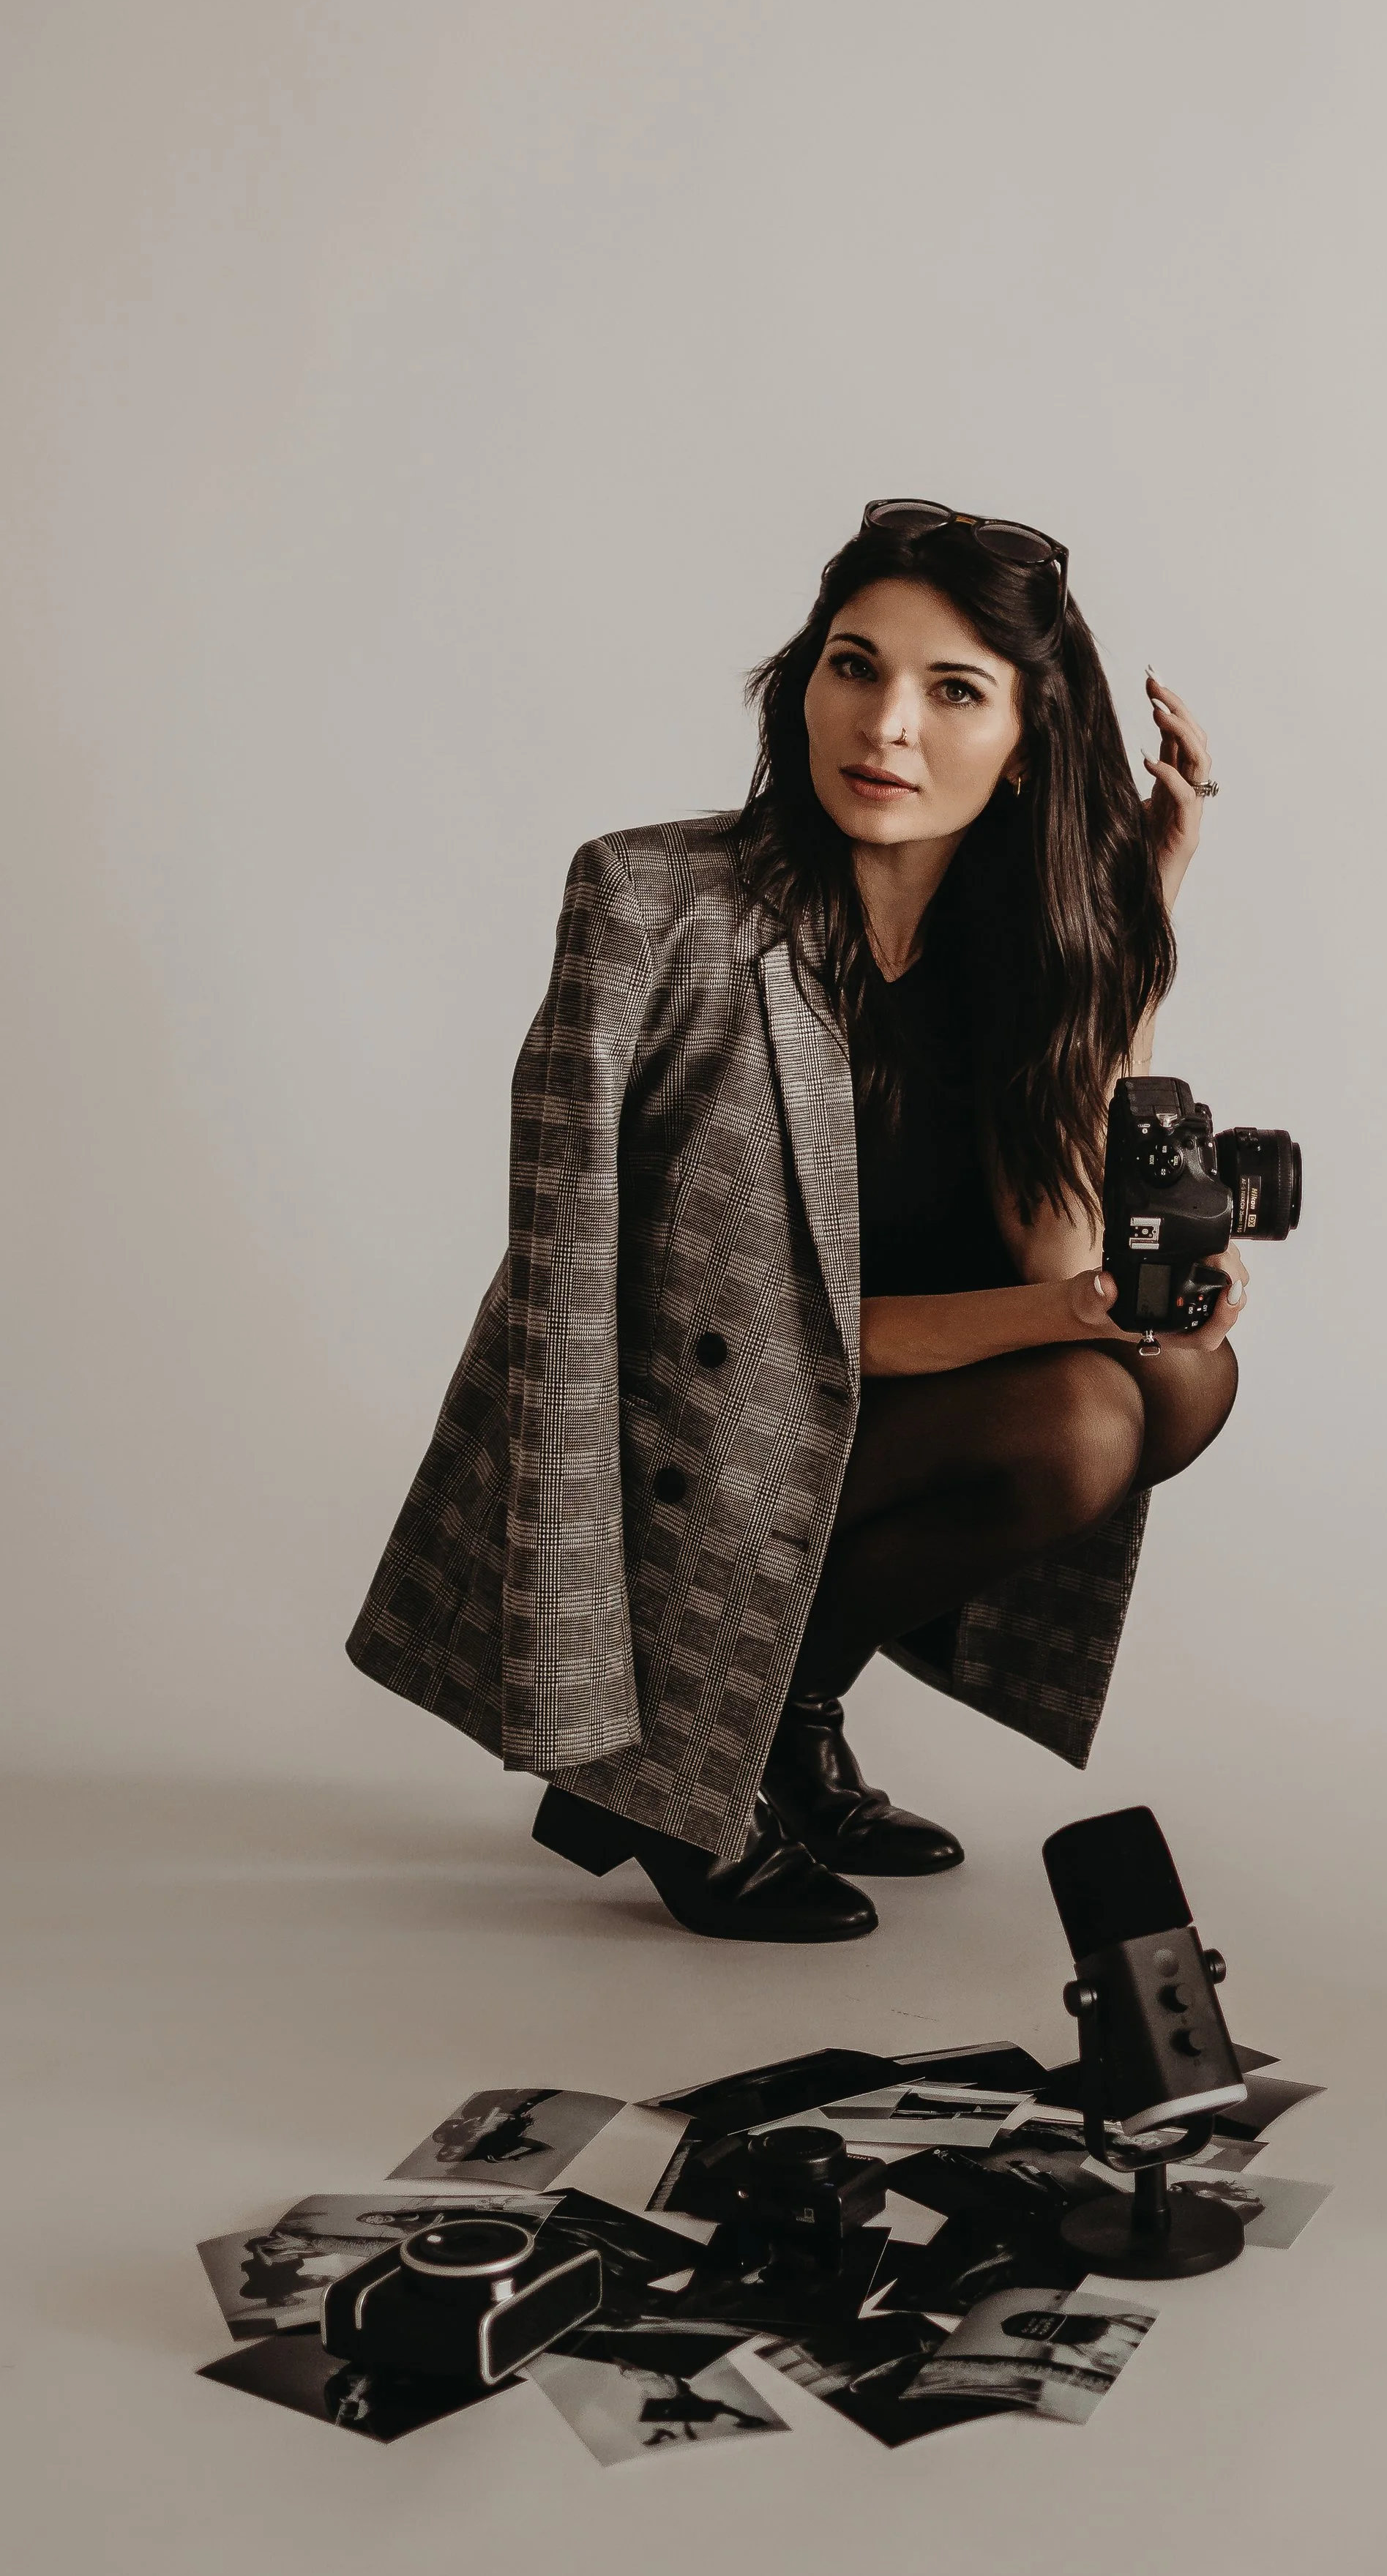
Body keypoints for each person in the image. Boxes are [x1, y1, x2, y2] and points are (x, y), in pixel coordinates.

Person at [347, 500, 1247, 1943]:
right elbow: (588, 1290)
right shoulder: (652, 902)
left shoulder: (1016, 943)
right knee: (1082, 1412)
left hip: (870, 1403)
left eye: (952, 690)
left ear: (1031, 738)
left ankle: (774, 1724)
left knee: (1176, 1375)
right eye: (852, 664)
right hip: (687, 1446)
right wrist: (571, 1651)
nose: (885, 725)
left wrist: (1133, 918)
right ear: (803, 682)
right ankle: (662, 1773)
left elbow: (1059, 1264)